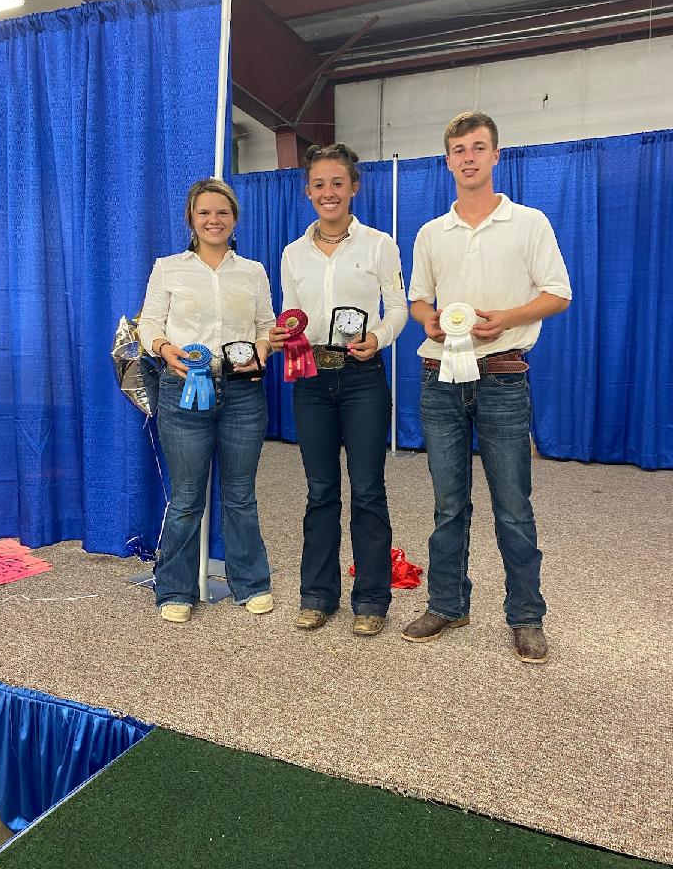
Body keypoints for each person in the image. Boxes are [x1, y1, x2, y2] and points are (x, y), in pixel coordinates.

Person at [402, 111, 572, 664]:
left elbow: (558, 293)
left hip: (502, 377)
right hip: (439, 380)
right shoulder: (431, 233)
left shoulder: (529, 223)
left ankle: (526, 616)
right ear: (448, 160)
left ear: (496, 155)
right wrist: (428, 319)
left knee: (513, 505)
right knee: (449, 504)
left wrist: (506, 317)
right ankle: (448, 603)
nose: (468, 157)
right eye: (458, 149)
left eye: (478, 147)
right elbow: (419, 299)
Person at [269, 143, 408, 637]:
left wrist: (380, 338)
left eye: (337, 183)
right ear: (307, 192)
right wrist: (282, 333)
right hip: (310, 378)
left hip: (362, 377)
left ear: (354, 187)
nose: (329, 193)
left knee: (368, 489)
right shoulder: (292, 254)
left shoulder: (378, 244)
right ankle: (318, 595)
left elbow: (398, 308)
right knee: (320, 490)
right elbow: (289, 311)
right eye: (319, 185)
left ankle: (372, 598)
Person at [138, 178, 275, 623]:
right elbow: (149, 323)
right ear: (191, 220)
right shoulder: (167, 268)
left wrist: (261, 351)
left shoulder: (252, 271)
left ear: (234, 218)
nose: (214, 220)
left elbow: (265, 324)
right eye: (205, 213)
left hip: (243, 393)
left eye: (222, 212)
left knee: (240, 496)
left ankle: (250, 583)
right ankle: (174, 588)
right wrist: (163, 348)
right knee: (186, 498)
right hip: (184, 391)